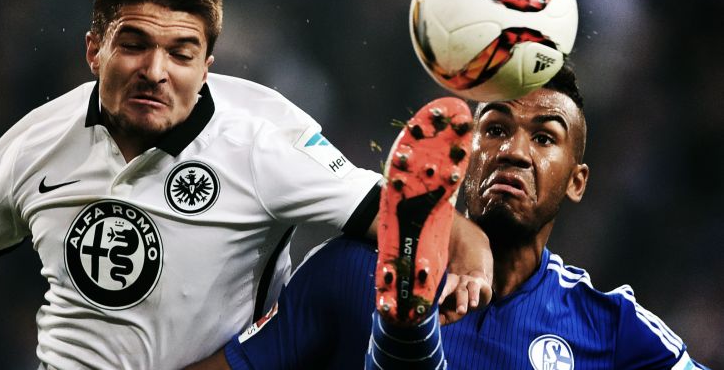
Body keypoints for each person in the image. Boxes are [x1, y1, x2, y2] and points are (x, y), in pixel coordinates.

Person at [0, 0, 491, 369]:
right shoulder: (33, 144)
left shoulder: (260, 148)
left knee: (348, 268)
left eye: (180, 53)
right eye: (133, 45)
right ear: (93, 49)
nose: (155, 70)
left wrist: (471, 261)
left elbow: (412, 218)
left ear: (207, 68)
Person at [189, 66, 708, 370]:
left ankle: (403, 334)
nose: (515, 152)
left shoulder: (613, 326)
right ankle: (406, 329)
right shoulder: (350, 269)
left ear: (578, 180)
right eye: (496, 129)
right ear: (463, 155)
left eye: (545, 137)